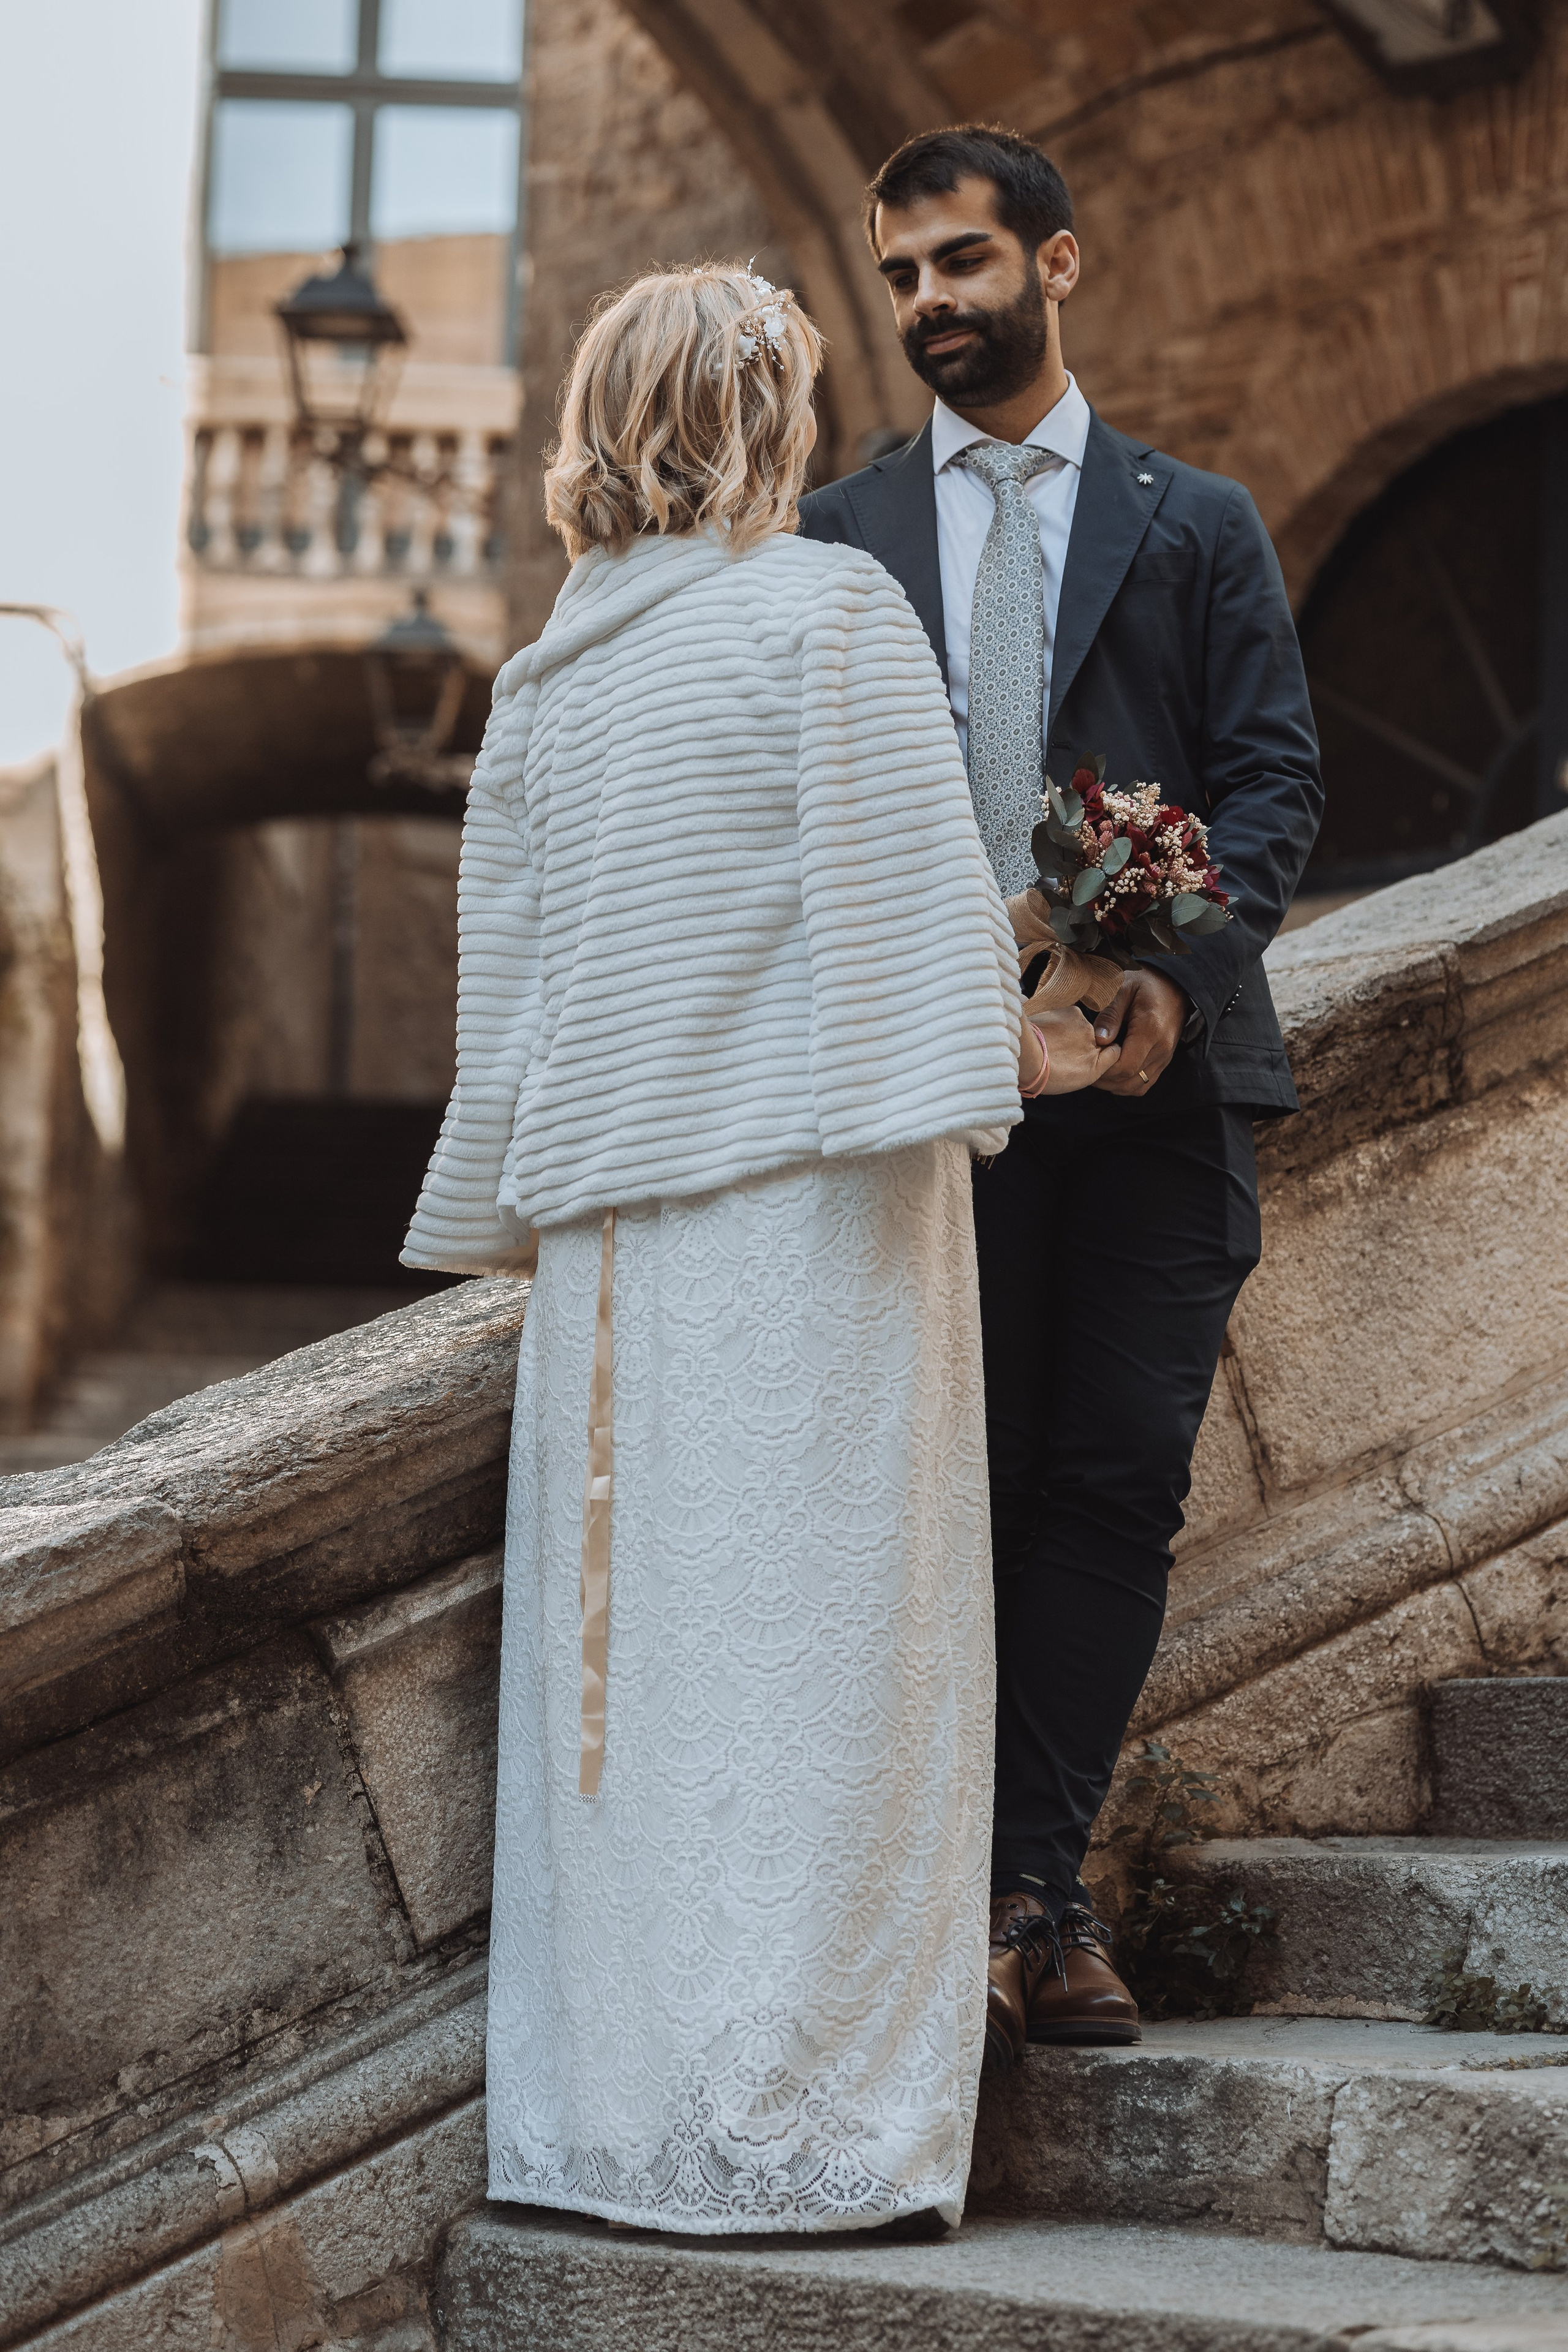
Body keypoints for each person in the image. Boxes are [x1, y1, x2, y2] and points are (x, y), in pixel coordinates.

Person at [402, 264, 1118, 2233]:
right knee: (834, 1671)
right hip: (812, 1236)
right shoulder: (824, 611)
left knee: (631, 1692)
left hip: (618, 1269)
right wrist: (1041, 1034)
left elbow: (520, 1013)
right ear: (760, 420)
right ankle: (807, 2129)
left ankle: (614, 2126)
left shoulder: (551, 680)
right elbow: (906, 940)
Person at [800, 125, 1323, 2072]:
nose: (933, 301)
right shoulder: (835, 541)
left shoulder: (1200, 525)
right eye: (904, 276)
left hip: (1165, 1103)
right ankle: (946, 1900)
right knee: (952, 1497)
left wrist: (1166, 972)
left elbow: (1273, 787)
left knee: (1114, 1475)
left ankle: (1039, 1896)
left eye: (962, 262)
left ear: (1058, 264)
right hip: (934, 1101)